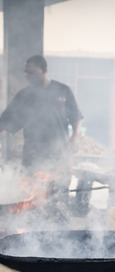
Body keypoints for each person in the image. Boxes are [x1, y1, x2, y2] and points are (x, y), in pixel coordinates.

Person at [0, 55, 83, 196]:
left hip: (58, 155)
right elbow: (5, 121)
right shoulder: (24, 96)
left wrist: (75, 137)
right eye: (26, 72)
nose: (28, 76)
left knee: (58, 197)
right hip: (32, 157)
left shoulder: (63, 90)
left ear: (43, 70)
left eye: (32, 72)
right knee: (32, 198)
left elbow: (76, 117)